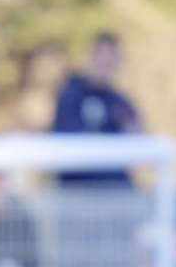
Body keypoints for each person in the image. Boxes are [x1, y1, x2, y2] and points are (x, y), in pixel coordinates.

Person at [50, 30, 141, 185]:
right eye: (101, 58)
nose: (105, 65)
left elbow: (138, 143)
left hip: (116, 191)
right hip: (77, 190)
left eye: (110, 61)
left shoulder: (122, 103)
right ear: (91, 57)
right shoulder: (70, 96)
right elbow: (65, 144)